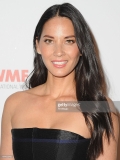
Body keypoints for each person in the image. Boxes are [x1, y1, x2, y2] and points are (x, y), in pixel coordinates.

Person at [0, 2, 119, 160]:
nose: (58, 52)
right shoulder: (15, 103)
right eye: (49, 41)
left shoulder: (99, 107)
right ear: (38, 45)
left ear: (82, 47)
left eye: (69, 41)